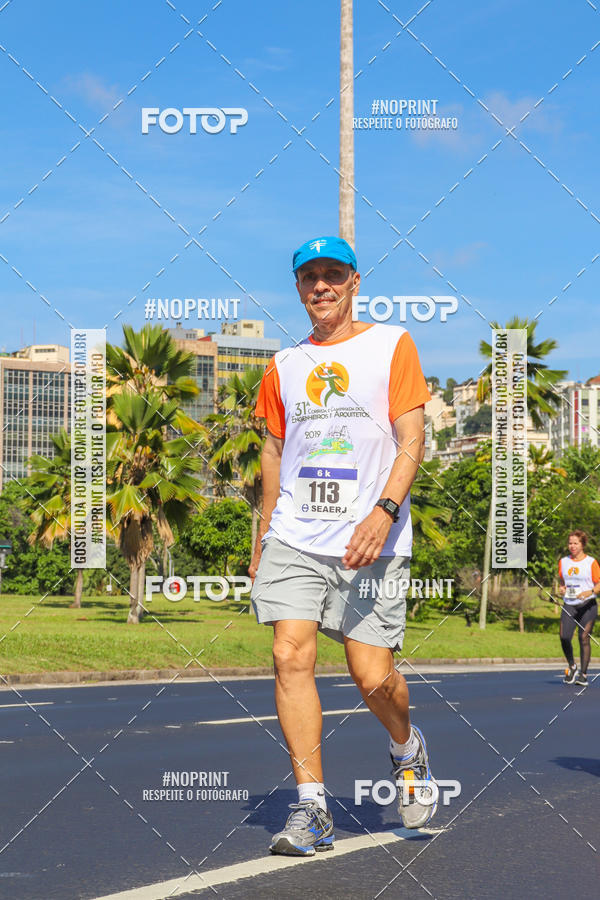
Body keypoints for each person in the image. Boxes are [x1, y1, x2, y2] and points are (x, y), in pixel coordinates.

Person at [249, 235, 435, 856]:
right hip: (296, 534)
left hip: (371, 537)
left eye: (333, 274)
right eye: (310, 277)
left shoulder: (392, 344)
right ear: (299, 288)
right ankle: (313, 809)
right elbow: (273, 450)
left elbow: (412, 436)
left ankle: (406, 748)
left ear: (355, 281)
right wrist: (263, 534)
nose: (321, 286)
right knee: (288, 653)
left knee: (372, 676)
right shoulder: (283, 364)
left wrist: (385, 511)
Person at [558, 530, 600, 687]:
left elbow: (599, 584)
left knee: (583, 637)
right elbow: (562, 580)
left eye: (576, 543)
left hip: (587, 605)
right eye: (570, 543)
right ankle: (572, 666)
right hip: (570, 603)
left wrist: (590, 591)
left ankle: (583, 674)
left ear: (582, 544)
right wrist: (562, 588)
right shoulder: (563, 562)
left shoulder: (591, 562)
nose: (572, 546)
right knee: (564, 637)